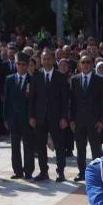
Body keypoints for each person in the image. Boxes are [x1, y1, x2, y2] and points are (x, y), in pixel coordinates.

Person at [29, 49, 70, 182]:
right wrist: (32, 116)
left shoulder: (61, 77)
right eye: (44, 59)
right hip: (40, 117)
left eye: (48, 59)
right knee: (41, 146)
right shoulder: (36, 76)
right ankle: (43, 172)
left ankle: (60, 172)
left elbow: (65, 100)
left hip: (56, 117)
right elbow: (32, 98)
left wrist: (64, 117)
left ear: (53, 60)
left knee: (59, 145)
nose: (46, 62)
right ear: (41, 61)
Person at [69, 54, 103, 182]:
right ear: (79, 65)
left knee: (96, 149)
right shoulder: (74, 80)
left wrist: (102, 121)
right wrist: (71, 120)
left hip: (94, 122)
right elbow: (72, 102)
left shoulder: (100, 81)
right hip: (79, 121)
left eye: (88, 62)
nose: (85, 64)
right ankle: (82, 173)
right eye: (83, 62)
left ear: (92, 65)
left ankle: (97, 174)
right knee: (80, 149)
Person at [4, 53, 35, 179]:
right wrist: (6, 117)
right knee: (15, 146)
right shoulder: (10, 79)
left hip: (27, 119)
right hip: (13, 118)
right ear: (16, 65)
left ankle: (28, 171)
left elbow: (34, 101)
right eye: (19, 64)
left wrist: (33, 117)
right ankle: (17, 171)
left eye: (23, 64)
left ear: (27, 66)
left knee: (28, 146)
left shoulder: (32, 79)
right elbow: (7, 100)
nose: (21, 66)